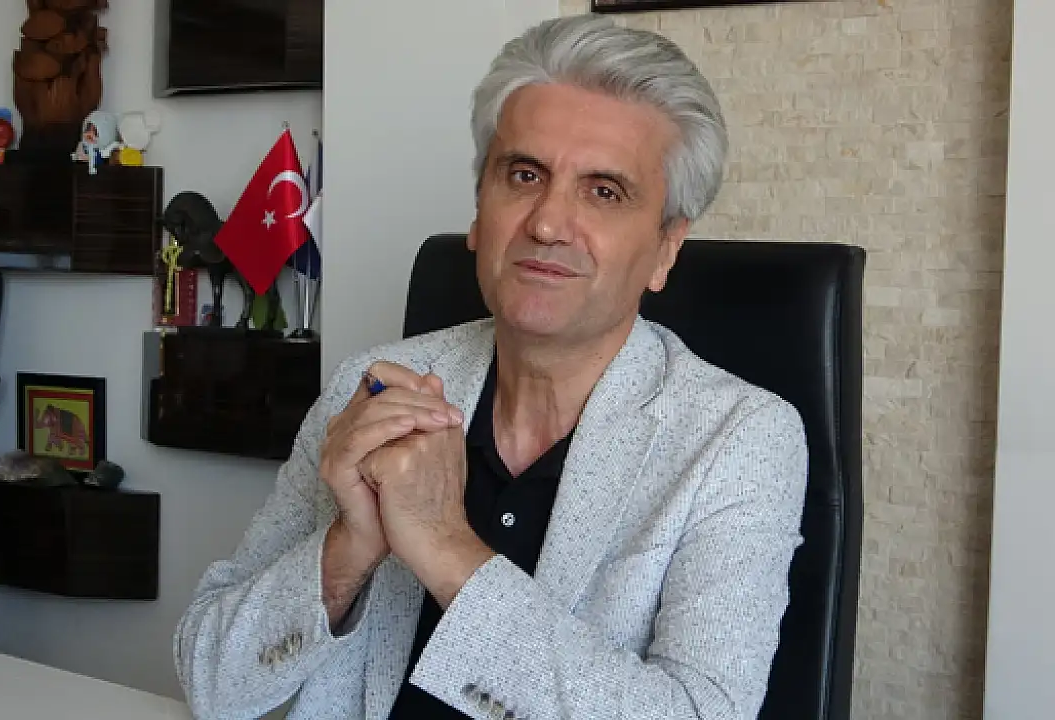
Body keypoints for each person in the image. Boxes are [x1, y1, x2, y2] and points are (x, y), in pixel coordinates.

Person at [174, 15, 807, 720]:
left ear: (665, 249)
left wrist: (445, 547)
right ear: (480, 209)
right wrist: (349, 549)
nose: (547, 223)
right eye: (524, 175)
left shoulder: (739, 441)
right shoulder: (377, 384)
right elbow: (210, 681)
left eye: (603, 191)